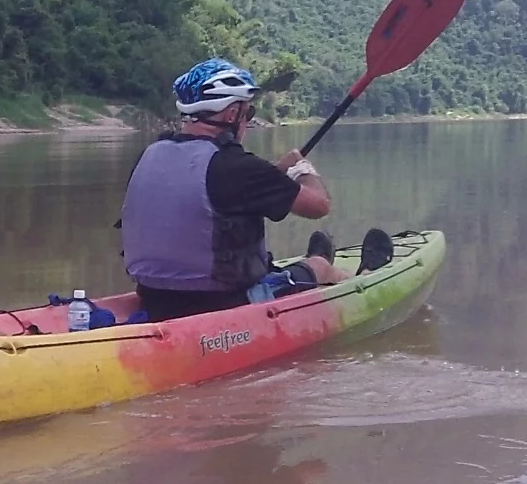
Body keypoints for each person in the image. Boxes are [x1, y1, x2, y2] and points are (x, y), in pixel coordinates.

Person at [119, 58, 354, 323]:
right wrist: (301, 168)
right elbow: (319, 205)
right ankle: (355, 275)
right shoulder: (237, 166)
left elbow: (208, 191)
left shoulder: (149, 155)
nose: (247, 121)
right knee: (319, 267)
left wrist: (273, 173)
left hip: (153, 296)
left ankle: (317, 259)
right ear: (231, 115)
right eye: (248, 113)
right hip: (221, 304)